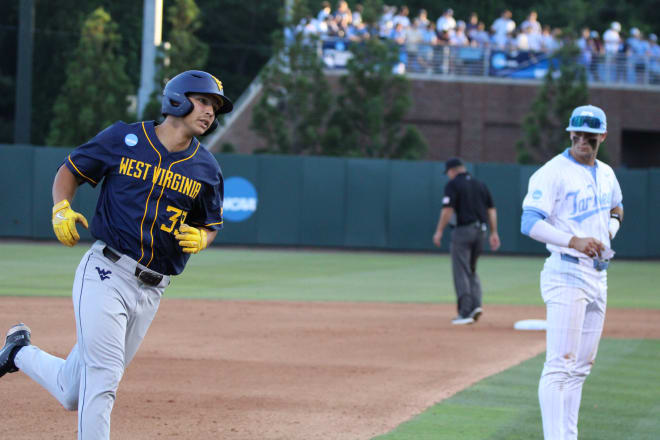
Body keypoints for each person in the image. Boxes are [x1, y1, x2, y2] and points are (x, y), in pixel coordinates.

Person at [0, 70, 233, 439]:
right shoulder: (125, 138)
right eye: (204, 100)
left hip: (153, 289)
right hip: (106, 273)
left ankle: (16, 353)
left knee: (72, 390)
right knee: (104, 378)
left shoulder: (207, 169)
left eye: (215, 107)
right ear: (178, 99)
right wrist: (61, 206)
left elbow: (210, 223)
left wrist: (202, 238)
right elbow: (70, 170)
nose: (210, 112)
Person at [520, 105, 623, 440]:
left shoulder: (606, 173)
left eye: (589, 137)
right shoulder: (553, 172)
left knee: (580, 368)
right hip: (566, 272)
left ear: (602, 137)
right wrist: (573, 241)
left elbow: (617, 206)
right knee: (560, 364)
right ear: (570, 134)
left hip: (599, 276)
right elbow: (530, 223)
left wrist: (609, 230)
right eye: (576, 135)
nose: (582, 142)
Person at [433, 158, 501, 325]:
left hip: (463, 231)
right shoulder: (480, 184)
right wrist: (494, 232)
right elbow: (491, 210)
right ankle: (476, 306)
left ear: (452, 170)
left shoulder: (453, 184)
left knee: (461, 270)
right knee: (471, 269)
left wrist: (439, 230)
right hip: (481, 232)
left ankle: (465, 312)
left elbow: (448, 209)